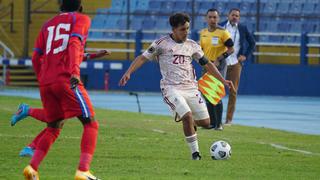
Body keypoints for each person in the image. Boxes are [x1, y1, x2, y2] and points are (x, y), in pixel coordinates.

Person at [119, 13, 233, 160]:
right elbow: (142, 58)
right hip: (171, 88)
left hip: (191, 88)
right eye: (183, 29)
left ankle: (188, 123)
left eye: (187, 29)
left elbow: (208, 64)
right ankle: (195, 154)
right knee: (187, 116)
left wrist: (223, 80)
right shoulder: (161, 44)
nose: (186, 32)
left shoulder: (192, 45)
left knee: (206, 122)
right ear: (174, 29)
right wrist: (129, 72)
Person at [12, 0, 100, 179]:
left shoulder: (47, 25)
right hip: (66, 78)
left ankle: (32, 168)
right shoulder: (81, 18)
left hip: (46, 82)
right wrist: (74, 72)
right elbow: (74, 42)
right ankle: (83, 171)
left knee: (54, 127)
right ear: (80, 7)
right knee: (90, 123)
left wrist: (43, 79)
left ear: (60, 6)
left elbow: (37, 56)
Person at [11, 49, 110, 157]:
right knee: (66, 119)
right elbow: (73, 56)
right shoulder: (68, 39)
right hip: (62, 82)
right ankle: (28, 118)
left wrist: (94, 55)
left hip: (50, 81)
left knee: (58, 119)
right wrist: (94, 55)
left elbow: (74, 56)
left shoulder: (55, 40)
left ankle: (30, 143)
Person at [219, 8, 256, 125]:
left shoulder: (243, 28)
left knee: (233, 91)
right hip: (221, 63)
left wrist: (245, 55)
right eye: (233, 15)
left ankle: (228, 120)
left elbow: (252, 43)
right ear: (228, 15)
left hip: (235, 63)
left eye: (237, 16)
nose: (235, 17)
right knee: (216, 90)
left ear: (239, 18)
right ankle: (215, 118)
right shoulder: (220, 27)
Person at [200, 9, 234, 130]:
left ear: (218, 19)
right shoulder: (203, 33)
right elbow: (201, 50)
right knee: (207, 94)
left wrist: (219, 58)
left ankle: (219, 124)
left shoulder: (223, 32)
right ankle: (212, 123)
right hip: (206, 66)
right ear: (206, 18)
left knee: (216, 93)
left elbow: (231, 49)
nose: (212, 20)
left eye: (215, 17)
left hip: (219, 66)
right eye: (210, 17)